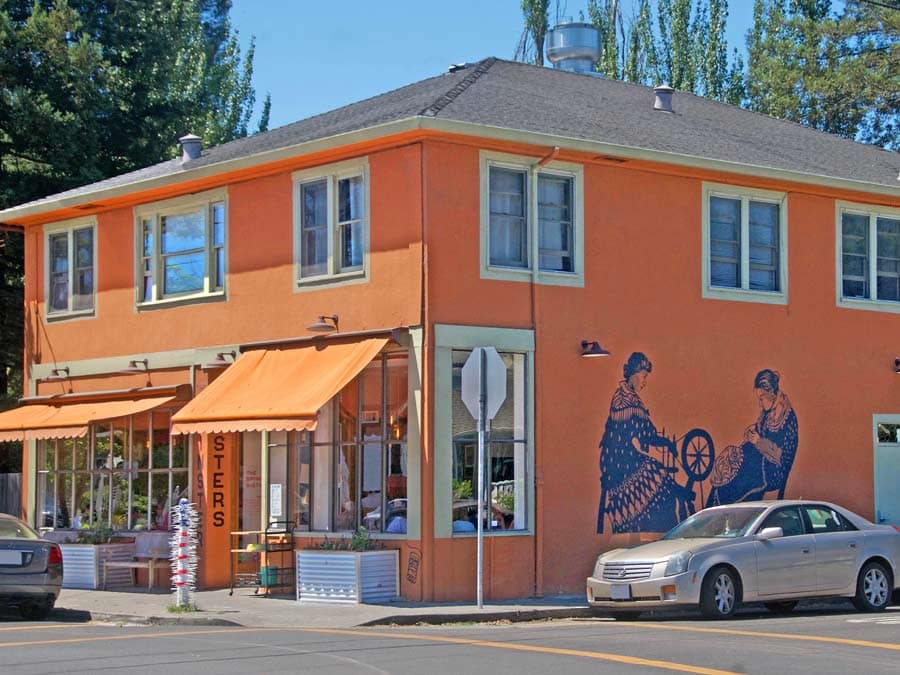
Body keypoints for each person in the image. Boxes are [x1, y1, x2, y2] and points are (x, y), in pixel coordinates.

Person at [597, 352, 692, 534]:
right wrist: (665, 443)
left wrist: (665, 443)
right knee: (658, 476)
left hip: (622, 457)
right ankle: (664, 523)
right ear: (634, 373)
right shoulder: (625, 400)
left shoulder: (629, 398)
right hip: (619, 461)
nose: (644, 381)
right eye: (644, 376)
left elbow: (646, 434)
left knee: (659, 474)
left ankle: (673, 500)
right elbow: (645, 435)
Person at [706, 369, 799, 506]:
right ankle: (710, 510)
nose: (760, 403)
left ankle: (720, 511)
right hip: (758, 461)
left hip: (772, 471)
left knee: (736, 479)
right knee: (728, 464)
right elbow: (760, 430)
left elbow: (781, 456)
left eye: (761, 398)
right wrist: (752, 432)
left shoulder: (785, 416)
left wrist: (758, 441)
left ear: (772, 393)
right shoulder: (768, 412)